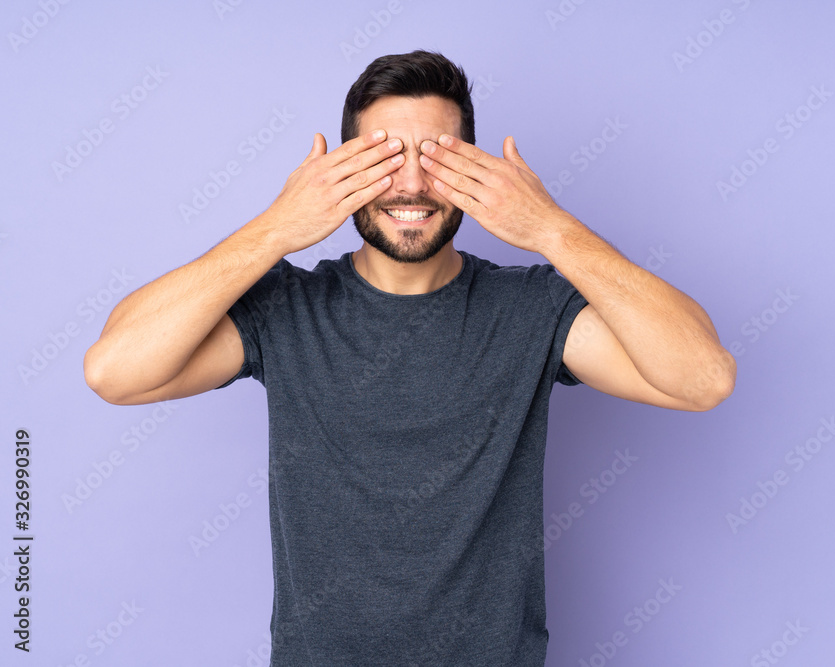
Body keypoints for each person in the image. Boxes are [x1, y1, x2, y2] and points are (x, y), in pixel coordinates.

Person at [84, 50, 735, 666]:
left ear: (475, 169)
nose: (414, 183)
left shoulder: (532, 310)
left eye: (437, 157)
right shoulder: (286, 309)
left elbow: (704, 378)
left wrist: (550, 229)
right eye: (384, 157)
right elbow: (114, 370)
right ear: (341, 169)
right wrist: (276, 228)